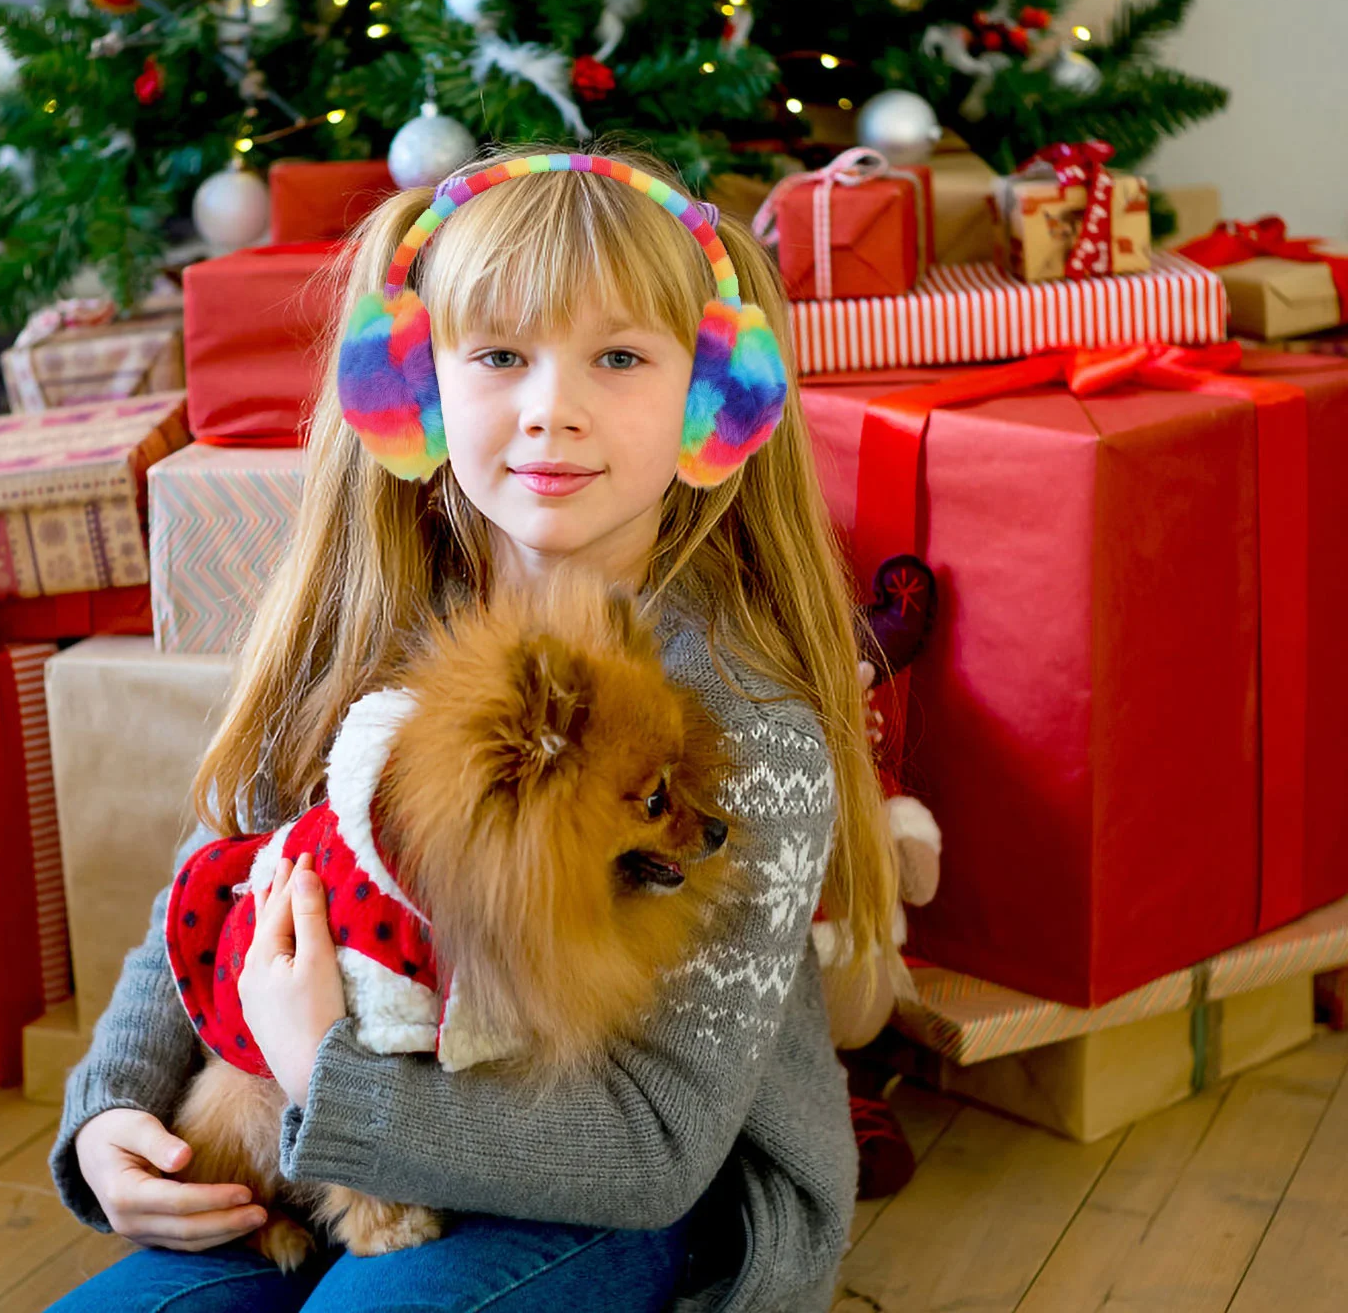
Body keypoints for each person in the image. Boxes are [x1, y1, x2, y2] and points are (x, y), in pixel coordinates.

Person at [47, 144, 898, 1313]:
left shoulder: (748, 730)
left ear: (713, 400)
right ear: (414, 387)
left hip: (638, 1201)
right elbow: (215, 885)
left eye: (617, 356)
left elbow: (652, 1152)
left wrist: (321, 1075)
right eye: (498, 355)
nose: (553, 409)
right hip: (327, 1145)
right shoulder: (366, 629)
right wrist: (111, 1117)